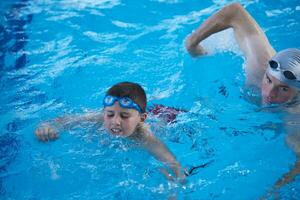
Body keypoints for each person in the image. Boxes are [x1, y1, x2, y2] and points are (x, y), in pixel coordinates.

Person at [185, 2, 300, 196]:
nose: (270, 93)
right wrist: (192, 44)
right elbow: (235, 11)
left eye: (283, 90)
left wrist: (273, 192)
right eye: (269, 80)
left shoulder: (294, 119)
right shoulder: (259, 66)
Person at [35, 81, 186, 182]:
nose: (115, 121)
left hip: (168, 116)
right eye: (110, 114)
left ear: (141, 118)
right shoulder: (98, 118)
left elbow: (175, 165)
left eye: (124, 116)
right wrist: (46, 127)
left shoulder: (146, 138)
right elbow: (59, 121)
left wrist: (173, 191)